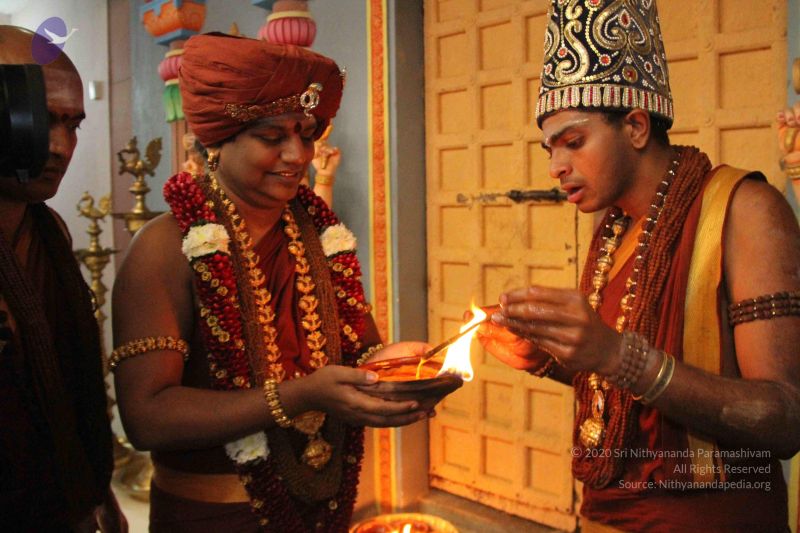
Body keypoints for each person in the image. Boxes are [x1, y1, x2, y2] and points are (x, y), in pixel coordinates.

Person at [476, 2, 800, 532]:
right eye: (549, 149)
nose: (556, 167)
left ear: (635, 126)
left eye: (573, 142)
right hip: (606, 510)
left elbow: (786, 417)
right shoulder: (614, 229)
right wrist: (545, 356)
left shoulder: (745, 210)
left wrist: (617, 356)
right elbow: (620, 387)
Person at [111, 33, 433, 532]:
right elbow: (147, 418)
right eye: (272, 137)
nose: (297, 155)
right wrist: (299, 396)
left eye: (306, 134)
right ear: (218, 140)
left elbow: (360, 354)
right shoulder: (164, 246)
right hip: (213, 517)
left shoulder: (318, 232)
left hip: (320, 504)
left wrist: (402, 369)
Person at [0, 26, 125, 532]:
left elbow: (67, 382)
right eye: (43, 120)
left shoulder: (47, 229)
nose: (60, 147)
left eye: (72, 125)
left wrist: (94, 490)